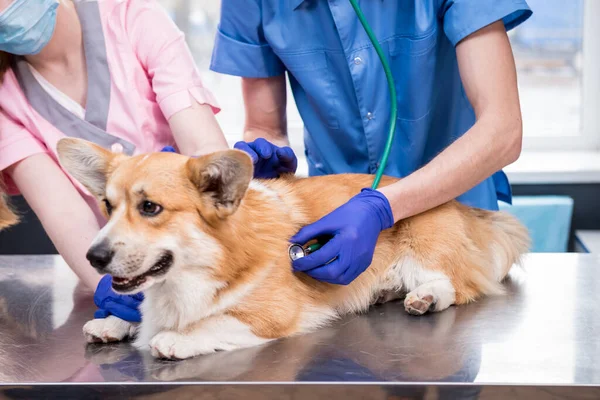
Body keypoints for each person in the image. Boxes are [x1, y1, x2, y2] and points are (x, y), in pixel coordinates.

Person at [211, 0, 532, 285]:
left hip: (454, 228)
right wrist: (267, 158)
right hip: (340, 234)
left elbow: (502, 131)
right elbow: (262, 127)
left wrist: (382, 208)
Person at [0, 0, 229, 321]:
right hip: (116, 269)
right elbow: (64, 212)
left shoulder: (134, 18)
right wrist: (107, 284)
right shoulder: (5, 96)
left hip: (194, 254)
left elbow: (201, 145)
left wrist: (227, 181)